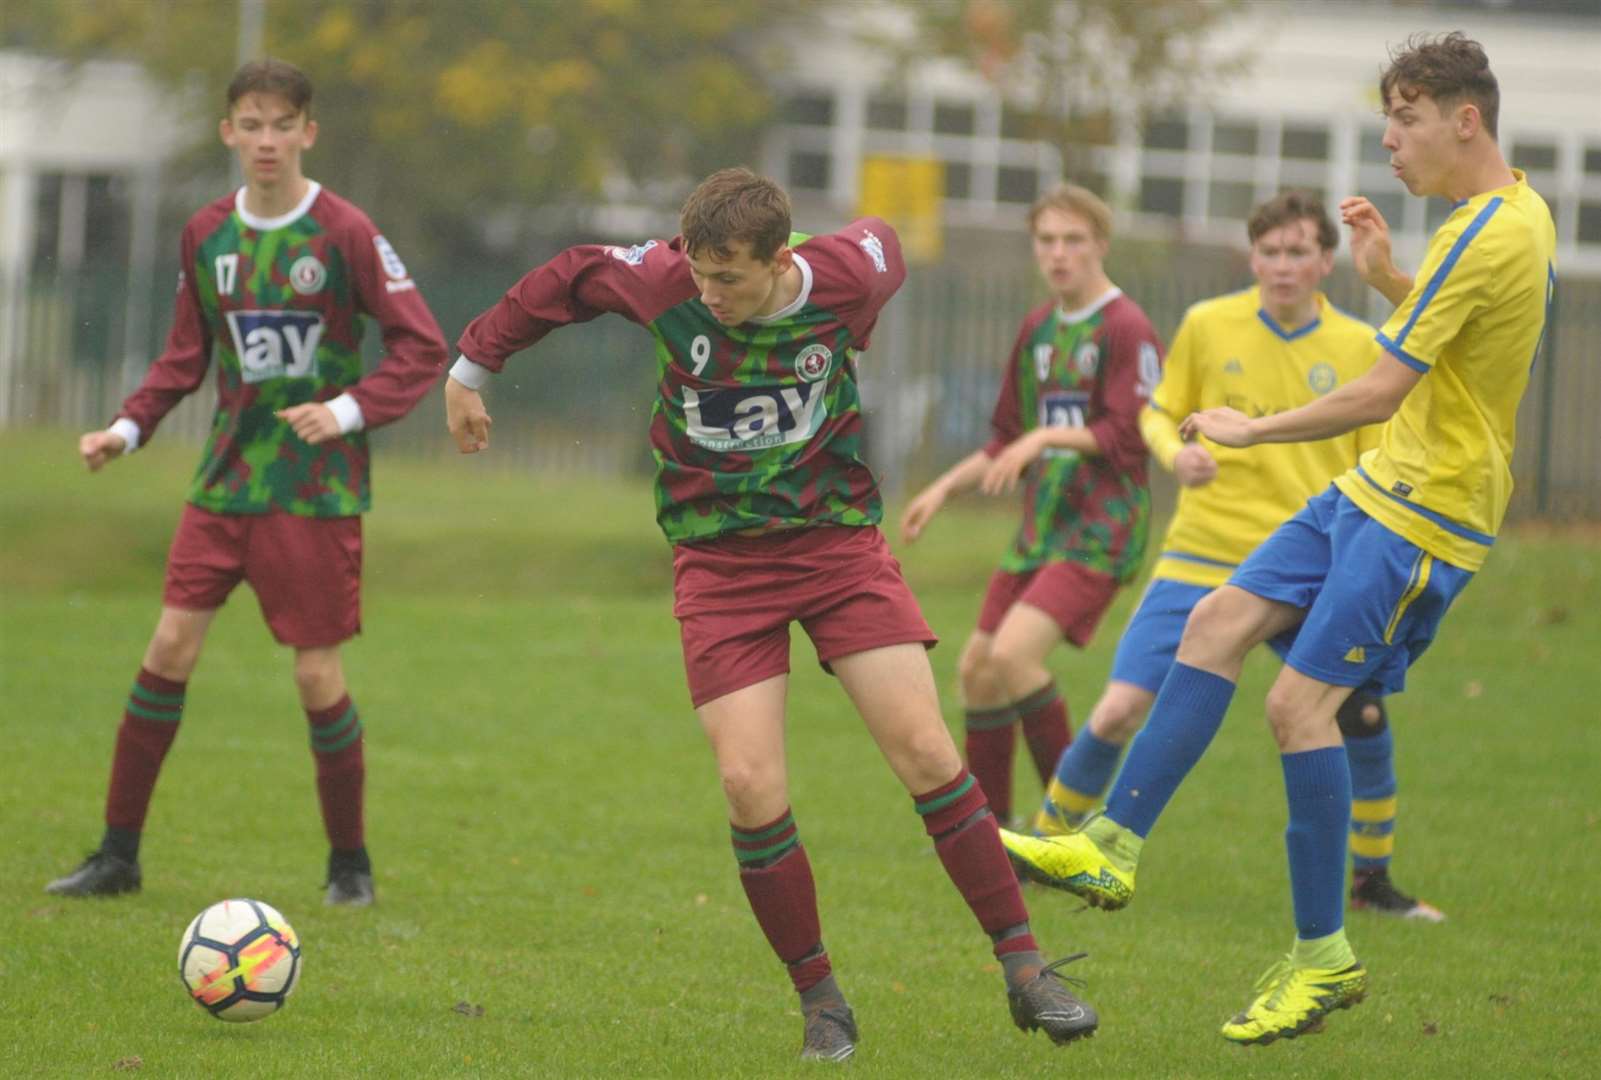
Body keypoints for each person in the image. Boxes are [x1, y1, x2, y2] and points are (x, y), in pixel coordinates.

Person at [445, 167, 1097, 1061]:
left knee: (925, 752)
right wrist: (471, 368)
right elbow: (565, 276)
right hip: (719, 565)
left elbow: (887, 245)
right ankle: (821, 1001)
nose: (706, 296)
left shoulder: (844, 278)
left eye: (729, 280)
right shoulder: (666, 278)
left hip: (834, 549)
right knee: (750, 785)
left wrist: (858, 320)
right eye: (698, 275)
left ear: (780, 259)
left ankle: (1027, 971)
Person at [1001, 32, 1553, 1044]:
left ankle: (1321, 959)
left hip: (1424, 513)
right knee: (1211, 624)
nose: (1387, 141)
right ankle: (1110, 844)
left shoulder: (1488, 233)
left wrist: (1251, 428)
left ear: (1461, 119)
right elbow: (1460, 350)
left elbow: (1384, 387)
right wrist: (1389, 276)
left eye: (1403, 117)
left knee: (1300, 709)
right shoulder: (1503, 212)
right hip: (1372, 490)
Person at [46, 59, 448, 907]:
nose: (266, 141)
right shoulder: (208, 234)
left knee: (314, 676)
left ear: (308, 131)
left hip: (314, 491)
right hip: (225, 481)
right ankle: (117, 856)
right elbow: (185, 355)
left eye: (282, 124)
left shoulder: (343, 233)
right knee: (168, 648)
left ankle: (350, 868)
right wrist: (126, 428)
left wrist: (344, 410)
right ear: (229, 132)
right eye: (250, 125)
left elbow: (420, 346)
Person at [1023, 190, 1443, 923]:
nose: (1281, 266)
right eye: (1269, 252)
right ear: (1252, 258)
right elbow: (1156, 411)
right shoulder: (1207, 325)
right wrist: (1174, 453)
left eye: (1297, 252)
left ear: (1323, 260)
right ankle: (1045, 844)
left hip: (1308, 564)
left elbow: (1375, 459)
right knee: (1120, 707)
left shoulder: (1359, 349)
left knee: (1361, 717)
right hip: (1200, 553)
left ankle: (1371, 881)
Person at [899, 183, 1163, 830]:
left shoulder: (1125, 327)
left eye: (1073, 240)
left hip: (1101, 530)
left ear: (1100, 244)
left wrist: (1045, 437)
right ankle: (996, 838)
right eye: (1046, 240)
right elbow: (1004, 437)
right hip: (1041, 527)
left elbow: (1130, 436)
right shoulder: (1037, 328)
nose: (1058, 254)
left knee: (1012, 658)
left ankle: (1067, 828)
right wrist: (941, 489)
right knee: (977, 672)